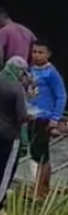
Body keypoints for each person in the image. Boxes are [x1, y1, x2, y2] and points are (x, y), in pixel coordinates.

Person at [0, 57, 30, 215]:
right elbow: (23, 117)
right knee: (6, 170)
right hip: (11, 134)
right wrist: (24, 140)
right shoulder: (16, 88)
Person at [28, 39, 65, 200]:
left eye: (40, 52)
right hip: (31, 115)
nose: (36, 55)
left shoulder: (51, 73)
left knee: (42, 154)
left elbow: (61, 95)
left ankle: (39, 190)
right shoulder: (31, 70)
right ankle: (41, 187)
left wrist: (55, 118)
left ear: (48, 54)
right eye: (34, 51)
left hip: (44, 117)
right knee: (35, 153)